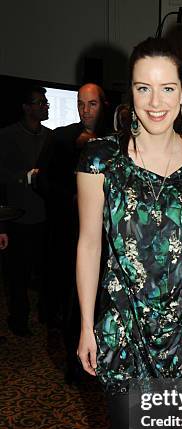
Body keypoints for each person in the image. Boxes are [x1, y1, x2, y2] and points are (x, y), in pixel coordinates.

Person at [75, 38, 182, 429]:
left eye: (167, 88)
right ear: (128, 90)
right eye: (143, 87)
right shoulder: (100, 159)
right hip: (123, 326)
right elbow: (88, 243)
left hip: (180, 328)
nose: (155, 101)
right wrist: (86, 325)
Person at [41, 83, 109, 382]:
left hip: (109, 240)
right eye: (81, 104)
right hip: (71, 234)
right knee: (74, 303)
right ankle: (76, 368)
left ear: (102, 105)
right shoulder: (61, 137)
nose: (85, 110)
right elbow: (43, 181)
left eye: (92, 104)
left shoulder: (115, 140)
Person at [0, 85, 52, 336]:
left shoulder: (51, 137)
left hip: (45, 216)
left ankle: (46, 315)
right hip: (17, 217)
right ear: (26, 107)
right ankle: (18, 319)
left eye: (46, 102)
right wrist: (25, 177)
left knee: (45, 272)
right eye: (40, 102)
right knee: (17, 275)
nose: (45, 106)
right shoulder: (7, 136)